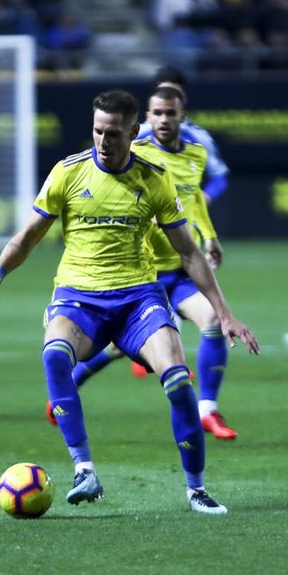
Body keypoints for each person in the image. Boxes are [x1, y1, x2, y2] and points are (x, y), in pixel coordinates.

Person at [0, 89, 259, 515]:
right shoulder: (68, 172)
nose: (103, 142)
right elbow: (28, 236)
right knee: (54, 354)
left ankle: (196, 489)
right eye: (98, 131)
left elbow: (188, 252)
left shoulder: (154, 178)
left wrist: (224, 312)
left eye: (113, 134)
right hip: (79, 299)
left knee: (178, 381)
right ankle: (84, 470)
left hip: (138, 300)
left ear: (133, 131)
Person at [62, 85, 239, 440]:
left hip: (180, 271)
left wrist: (209, 236)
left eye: (170, 113)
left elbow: (194, 201)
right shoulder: (137, 155)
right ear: (147, 117)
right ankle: (68, 386)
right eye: (157, 113)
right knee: (118, 346)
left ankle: (207, 410)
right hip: (144, 276)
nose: (163, 119)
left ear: (182, 117)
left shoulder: (196, 154)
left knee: (212, 321)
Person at [138, 65, 230, 208]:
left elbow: (219, 176)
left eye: (174, 93)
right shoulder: (136, 136)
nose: (167, 98)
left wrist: (204, 198)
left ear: (183, 99)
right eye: (163, 92)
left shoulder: (199, 138)